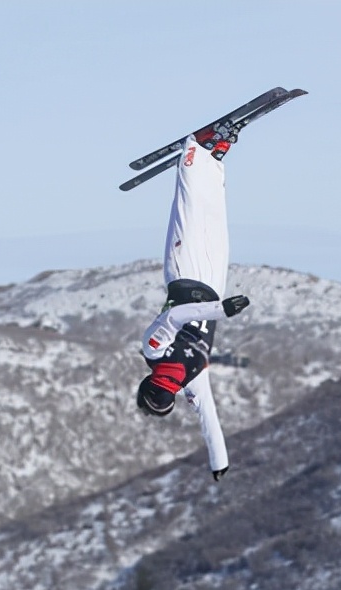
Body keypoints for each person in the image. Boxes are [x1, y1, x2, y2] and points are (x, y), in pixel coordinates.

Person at [135, 123, 250, 481]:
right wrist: (219, 463)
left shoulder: (153, 351)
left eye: (160, 396)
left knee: (189, 212)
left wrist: (221, 311)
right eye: (166, 400)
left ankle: (194, 152)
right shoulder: (193, 380)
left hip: (184, 273)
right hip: (213, 281)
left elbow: (176, 317)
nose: (167, 393)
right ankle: (214, 160)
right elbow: (209, 420)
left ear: (151, 385)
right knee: (215, 220)